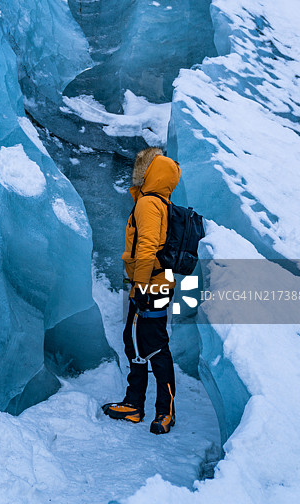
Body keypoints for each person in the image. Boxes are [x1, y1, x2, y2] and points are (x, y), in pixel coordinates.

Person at [102, 147, 181, 435]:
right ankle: (136, 403)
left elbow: (147, 247)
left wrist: (141, 286)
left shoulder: (148, 204)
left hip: (149, 287)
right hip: (159, 283)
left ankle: (163, 411)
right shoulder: (163, 203)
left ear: (150, 174)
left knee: (155, 347)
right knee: (137, 342)